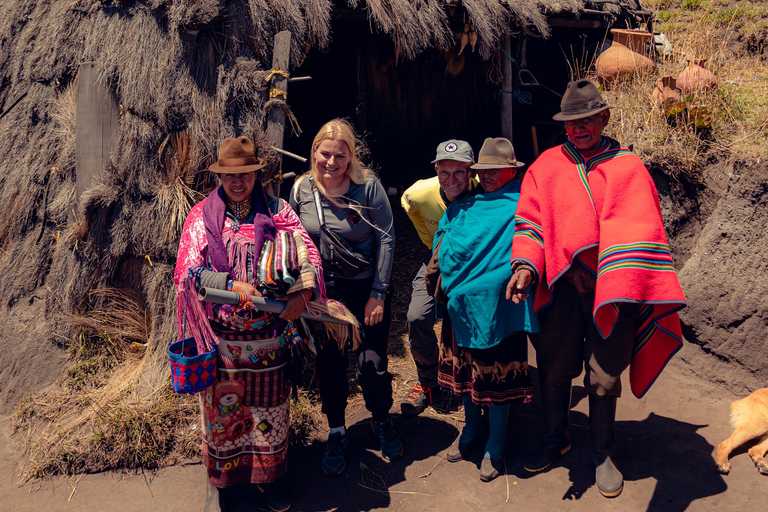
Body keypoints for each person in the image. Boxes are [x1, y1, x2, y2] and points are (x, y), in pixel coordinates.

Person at [506, 79, 686, 497]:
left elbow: (641, 229)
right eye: (570, 123)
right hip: (560, 289)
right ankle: (556, 437)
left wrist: (607, 274)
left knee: (603, 378)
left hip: (614, 290)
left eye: (586, 120)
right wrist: (527, 267)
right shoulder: (547, 166)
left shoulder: (629, 167)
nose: (578, 129)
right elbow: (531, 223)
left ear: (604, 117)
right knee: (553, 369)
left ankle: (603, 452)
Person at [174, 136, 324, 512]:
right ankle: (225, 483)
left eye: (245, 174)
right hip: (222, 343)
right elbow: (186, 272)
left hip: (268, 341)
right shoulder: (201, 217)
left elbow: (310, 259)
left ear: (257, 174)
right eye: (229, 175)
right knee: (224, 415)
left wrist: (301, 295)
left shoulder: (278, 213)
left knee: (270, 412)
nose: (237, 182)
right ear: (220, 175)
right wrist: (227, 284)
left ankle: (270, 480)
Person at [289, 119, 400, 476]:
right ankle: (336, 431)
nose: (331, 163)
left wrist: (379, 294)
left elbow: (386, 237)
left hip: (365, 290)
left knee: (372, 364)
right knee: (330, 365)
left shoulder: (368, 188)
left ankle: (381, 421)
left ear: (350, 156)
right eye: (325, 154)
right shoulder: (302, 189)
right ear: (315, 152)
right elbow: (292, 238)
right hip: (325, 296)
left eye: (340, 155)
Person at [434, 138, 538, 482]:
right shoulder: (471, 202)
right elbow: (448, 233)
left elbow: (533, 241)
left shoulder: (524, 203)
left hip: (499, 308)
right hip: (461, 305)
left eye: (497, 170)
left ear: (514, 170)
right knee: (467, 372)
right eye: (482, 170)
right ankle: (471, 431)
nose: (489, 176)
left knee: (497, 375)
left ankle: (496, 442)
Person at [399, 139, 474, 416]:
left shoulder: (483, 195)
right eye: (444, 171)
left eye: (459, 172)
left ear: (472, 171)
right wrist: (431, 242)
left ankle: (469, 381)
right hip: (435, 260)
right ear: (435, 170)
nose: (451, 179)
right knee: (417, 317)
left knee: (463, 319)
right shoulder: (420, 193)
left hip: (471, 265)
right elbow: (409, 206)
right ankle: (428, 382)